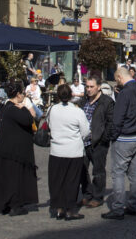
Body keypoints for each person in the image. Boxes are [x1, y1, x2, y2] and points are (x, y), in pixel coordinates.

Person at [102, 67, 136, 220]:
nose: (117, 82)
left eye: (117, 80)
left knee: (118, 173)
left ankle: (118, 208)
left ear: (120, 77)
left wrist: (113, 136)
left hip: (124, 138)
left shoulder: (124, 93)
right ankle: (134, 205)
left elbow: (118, 118)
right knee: (134, 172)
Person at [0, 82, 38, 216]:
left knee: (9, 179)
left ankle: (8, 203)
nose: (24, 95)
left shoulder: (7, 107)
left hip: (8, 150)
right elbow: (29, 119)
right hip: (13, 151)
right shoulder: (14, 108)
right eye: (22, 93)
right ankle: (14, 205)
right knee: (14, 179)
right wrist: (24, 108)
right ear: (18, 94)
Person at [47, 84, 90, 221]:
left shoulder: (52, 109)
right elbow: (86, 131)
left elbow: (49, 125)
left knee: (57, 181)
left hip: (57, 150)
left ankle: (59, 208)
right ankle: (70, 210)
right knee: (72, 181)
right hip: (73, 151)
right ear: (71, 95)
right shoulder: (77, 112)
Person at [79, 77, 114, 209]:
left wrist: (104, 138)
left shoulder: (106, 102)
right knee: (81, 169)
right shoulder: (84, 101)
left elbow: (110, 122)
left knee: (98, 170)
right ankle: (87, 194)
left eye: (91, 86)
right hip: (83, 142)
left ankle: (98, 197)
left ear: (98, 87)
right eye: (87, 86)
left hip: (98, 142)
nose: (88, 89)